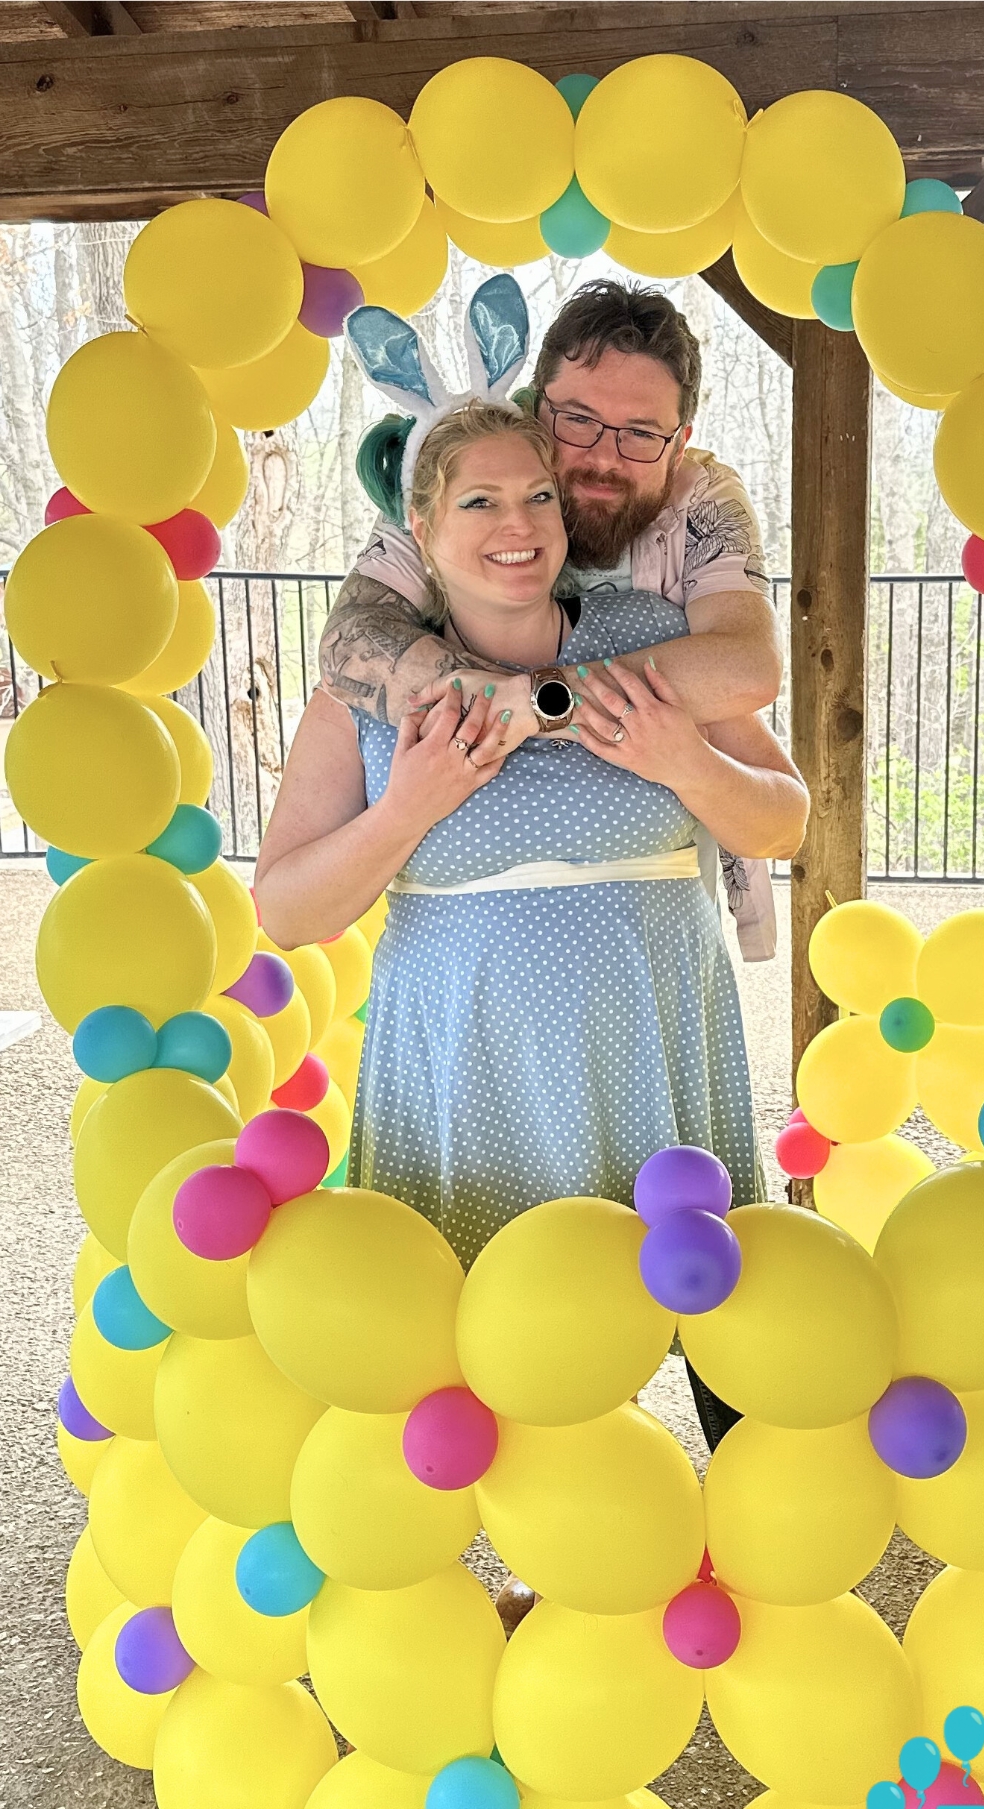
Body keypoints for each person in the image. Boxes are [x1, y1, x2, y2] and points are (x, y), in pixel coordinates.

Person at [255, 403, 807, 1464]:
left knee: (716, 1318)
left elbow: (783, 817)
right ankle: (540, 1576)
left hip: (652, 1047)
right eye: (479, 500)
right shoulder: (370, 693)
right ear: (419, 530)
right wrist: (406, 805)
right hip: (470, 1073)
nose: (518, 523)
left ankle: (752, 1556)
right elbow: (286, 908)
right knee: (488, 1346)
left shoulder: (649, 644)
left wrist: (681, 761)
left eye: (537, 495)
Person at [319, 278, 784, 960]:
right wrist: (512, 708)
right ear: (537, 410)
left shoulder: (704, 497)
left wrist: (540, 702)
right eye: (579, 420)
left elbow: (747, 666)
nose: (603, 456)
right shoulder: (460, 483)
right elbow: (348, 644)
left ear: (679, 443)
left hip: (654, 901)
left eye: (640, 434)